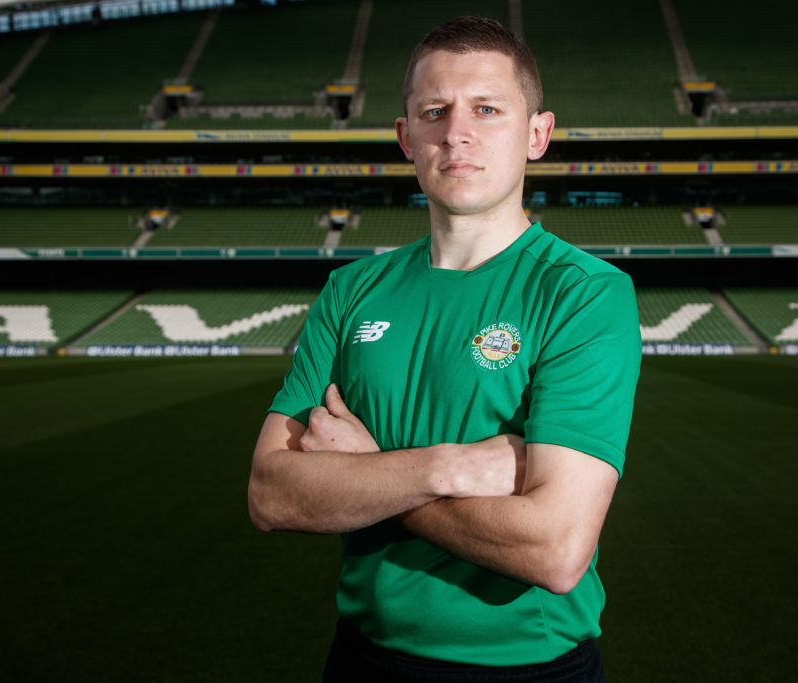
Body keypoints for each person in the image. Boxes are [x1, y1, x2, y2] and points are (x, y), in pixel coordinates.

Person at [248, 16, 641, 682]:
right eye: (435, 111)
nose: (456, 132)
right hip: (362, 658)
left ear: (537, 134)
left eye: (487, 109)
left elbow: (555, 549)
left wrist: (368, 472)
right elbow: (271, 493)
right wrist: (445, 467)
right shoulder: (351, 290)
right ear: (407, 136)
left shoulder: (584, 292)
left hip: (527, 667)